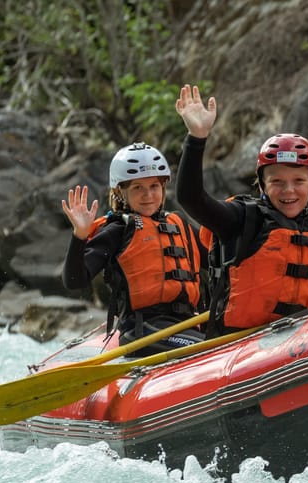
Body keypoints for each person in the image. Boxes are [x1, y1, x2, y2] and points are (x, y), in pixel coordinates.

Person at [174, 84, 308, 337]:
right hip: (242, 348)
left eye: (299, 182)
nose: (289, 191)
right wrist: (197, 138)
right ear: (262, 184)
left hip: (303, 343)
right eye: (277, 182)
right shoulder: (242, 218)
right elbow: (191, 198)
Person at [61, 142, 206, 354]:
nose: (148, 195)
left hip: (187, 325)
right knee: (209, 347)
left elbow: (219, 260)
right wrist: (80, 235)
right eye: (138, 187)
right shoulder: (118, 230)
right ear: (121, 192)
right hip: (143, 332)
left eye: (154, 186)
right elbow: (74, 281)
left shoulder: (178, 224)